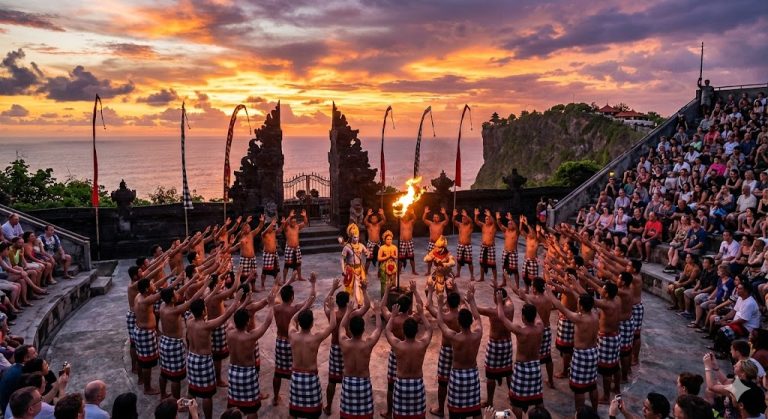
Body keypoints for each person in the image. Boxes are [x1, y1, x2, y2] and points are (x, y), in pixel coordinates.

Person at [186, 286, 244, 419]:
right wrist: (236, 300)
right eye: (204, 308)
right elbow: (225, 316)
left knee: (192, 390)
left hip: (191, 358)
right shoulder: (207, 325)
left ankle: (191, 415)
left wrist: (210, 293)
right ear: (203, 311)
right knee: (207, 394)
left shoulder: (189, 321)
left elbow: (198, 307)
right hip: (203, 361)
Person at [288, 273, 336, 419]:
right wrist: (332, 308)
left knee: (293, 412)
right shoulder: (315, 338)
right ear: (312, 323)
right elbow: (333, 325)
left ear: (300, 324)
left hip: (296, 376)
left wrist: (304, 308)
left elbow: (292, 319)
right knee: (313, 414)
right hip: (310, 377)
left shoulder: (292, 334)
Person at [546, 288, 599, 411]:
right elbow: (582, 299)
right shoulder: (596, 314)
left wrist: (550, 294)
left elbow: (561, 307)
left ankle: (580, 414)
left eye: (578, 302)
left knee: (579, 388)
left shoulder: (579, 318)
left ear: (581, 306)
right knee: (592, 385)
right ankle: (594, 411)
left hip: (581, 355)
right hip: (593, 352)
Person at [436, 283, 483, 419]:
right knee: (475, 409)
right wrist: (472, 300)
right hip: (472, 373)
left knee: (456, 412)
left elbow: (440, 322)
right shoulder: (477, 334)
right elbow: (478, 318)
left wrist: (439, 305)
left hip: (458, 375)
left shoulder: (454, 337)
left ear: (459, 323)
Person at [323, 280, 369, 416]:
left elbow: (325, 304)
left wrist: (332, 289)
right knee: (350, 378)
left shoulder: (332, 314)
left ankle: (329, 406)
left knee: (332, 379)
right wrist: (364, 290)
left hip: (336, 346)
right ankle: (355, 408)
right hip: (349, 347)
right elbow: (366, 306)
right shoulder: (352, 314)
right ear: (348, 302)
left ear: (336, 303)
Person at [226, 290, 274, 418]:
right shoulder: (251, 337)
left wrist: (243, 303)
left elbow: (232, 316)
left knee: (234, 404)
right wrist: (271, 305)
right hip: (247, 373)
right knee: (251, 408)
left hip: (233, 372)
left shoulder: (229, 332)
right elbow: (267, 322)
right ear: (248, 322)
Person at [385, 289, 432, 419]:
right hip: (417, 384)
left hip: (401, 384)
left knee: (399, 414)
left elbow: (387, 330)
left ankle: (389, 412)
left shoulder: (397, 345)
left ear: (404, 332)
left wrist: (393, 315)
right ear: (417, 331)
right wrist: (421, 314)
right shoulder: (422, 344)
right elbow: (429, 329)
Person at [158, 274, 208, 399]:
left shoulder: (163, 306)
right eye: (175, 294)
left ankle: (163, 394)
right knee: (176, 377)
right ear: (172, 299)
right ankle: (177, 402)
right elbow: (193, 299)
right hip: (174, 344)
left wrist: (188, 280)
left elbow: (178, 291)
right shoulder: (175, 311)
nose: (177, 294)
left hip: (164, 341)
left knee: (164, 371)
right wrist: (205, 284)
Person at [495, 294, 544, 419]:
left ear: (523, 317)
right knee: (538, 399)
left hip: (522, 369)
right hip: (535, 367)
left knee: (516, 402)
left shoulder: (520, 331)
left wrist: (500, 302)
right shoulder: (540, 327)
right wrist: (527, 301)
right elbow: (536, 313)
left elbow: (501, 317)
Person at [337, 294, 384, 419]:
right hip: (363, 382)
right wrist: (378, 312)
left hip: (348, 382)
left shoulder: (344, 342)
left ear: (350, 331)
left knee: (346, 415)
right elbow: (379, 328)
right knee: (366, 416)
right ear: (363, 330)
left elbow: (341, 326)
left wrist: (348, 312)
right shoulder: (367, 344)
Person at [272, 276, 314, 407]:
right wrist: (313, 284)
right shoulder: (295, 309)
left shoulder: (276, 307)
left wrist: (289, 281)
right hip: (291, 342)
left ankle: (275, 397)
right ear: (292, 297)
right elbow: (311, 299)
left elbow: (277, 293)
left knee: (278, 371)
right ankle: (295, 398)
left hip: (280, 341)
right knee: (294, 371)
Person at [426, 284, 461, 417]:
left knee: (443, 381)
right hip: (459, 348)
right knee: (457, 378)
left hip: (446, 349)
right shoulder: (463, 314)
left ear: (448, 304)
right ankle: (458, 406)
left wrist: (430, 291)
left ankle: (441, 409)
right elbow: (465, 303)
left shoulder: (444, 316)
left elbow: (429, 306)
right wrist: (455, 289)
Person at [477, 286, 514, 407]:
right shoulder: (511, 307)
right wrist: (499, 289)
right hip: (507, 343)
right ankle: (512, 395)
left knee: (491, 375)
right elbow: (508, 298)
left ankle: (490, 402)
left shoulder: (492, 312)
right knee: (508, 371)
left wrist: (468, 298)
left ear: (496, 298)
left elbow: (474, 309)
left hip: (494, 345)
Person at [206, 271, 241, 388]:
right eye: (219, 282)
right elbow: (233, 289)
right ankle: (218, 379)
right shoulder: (217, 296)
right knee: (218, 356)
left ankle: (215, 376)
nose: (221, 283)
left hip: (212, 324)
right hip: (218, 327)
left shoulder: (207, 293)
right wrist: (239, 275)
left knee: (216, 355)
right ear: (215, 285)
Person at [134, 277, 163, 395]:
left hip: (141, 331)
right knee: (147, 363)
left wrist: (167, 276)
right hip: (145, 334)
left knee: (141, 358)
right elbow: (163, 294)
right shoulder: (144, 301)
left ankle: (141, 379)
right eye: (151, 284)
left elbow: (156, 288)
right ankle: (147, 388)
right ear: (146, 289)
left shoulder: (139, 296)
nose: (154, 285)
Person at [0, 345, 36, 411]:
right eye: (34, 353)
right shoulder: (22, 374)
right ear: (26, 358)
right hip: (11, 411)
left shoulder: (13, 368)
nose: (36, 355)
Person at [341, 224, 369, 305]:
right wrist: (343, 270)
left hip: (359, 269)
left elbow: (367, 253)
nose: (356, 238)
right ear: (351, 237)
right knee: (349, 288)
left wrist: (368, 253)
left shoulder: (361, 246)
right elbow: (342, 259)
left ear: (359, 237)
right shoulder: (347, 247)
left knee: (359, 286)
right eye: (354, 237)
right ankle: (347, 304)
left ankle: (359, 303)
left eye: (357, 236)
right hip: (350, 270)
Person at [235, 215, 265, 290]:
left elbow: (259, 228)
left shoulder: (251, 234)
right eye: (246, 227)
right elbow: (240, 230)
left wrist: (261, 221)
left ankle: (253, 288)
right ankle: (242, 289)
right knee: (244, 275)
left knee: (253, 274)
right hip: (244, 258)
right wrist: (246, 222)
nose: (248, 228)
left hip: (252, 258)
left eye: (249, 226)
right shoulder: (241, 235)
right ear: (243, 228)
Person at [282, 210, 308, 283]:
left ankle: (299, 276)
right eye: (292, 221)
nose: (294, 223)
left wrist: (305, 216)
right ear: (289, 222)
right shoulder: (286, 228)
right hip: (289, 249)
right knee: (287, 265)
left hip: (297, 248)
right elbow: (285, 223)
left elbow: (305, 223)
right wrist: (290, 216)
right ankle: (284, 280)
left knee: (298, 263)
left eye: (295, 221)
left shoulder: (297, 226)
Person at [423, 207, 449, 276]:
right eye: (434, 217)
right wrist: (425, 213)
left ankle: (439, 271)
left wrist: (444, 213)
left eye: (437, 217)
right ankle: (428, 271)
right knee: (429, 258)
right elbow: (424, 219)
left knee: (439, 258)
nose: (435, 218)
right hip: (431, 244)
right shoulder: (430, 223)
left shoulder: (441, 224)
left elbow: (447, 220)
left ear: (439, 218)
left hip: (439, 245)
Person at [519, 216, 544, 289]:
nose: (529, 233)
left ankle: (534, 290)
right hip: (526, 260)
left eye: (530, 231)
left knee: (533, 278)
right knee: (525, 276)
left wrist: (527, 224)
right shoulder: (527, 237)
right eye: (528, 232)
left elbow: (533, 232)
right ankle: (526, 289)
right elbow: (520, 230)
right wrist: (521, 222)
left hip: (533, 260)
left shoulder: (536, 239)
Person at [497, 212, 520, 288]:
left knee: (515, 270)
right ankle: (504, 282)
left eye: (511, 224)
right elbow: (499, 225)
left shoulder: (516, 232)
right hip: (505, 252)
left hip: (513, 253)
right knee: (504, 268)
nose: (509, 225)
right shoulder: (506, 230)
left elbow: (516, 228)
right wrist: (498, 219)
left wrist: (511, 219)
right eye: (508, 224)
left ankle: (517, 285)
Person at [474, 209, 498, 283]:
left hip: (491, 248)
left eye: (488, 219)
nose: (486, 220)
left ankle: (495, 280)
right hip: (483, 247)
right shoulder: (483, 226)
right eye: (485, 219)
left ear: (490, 220)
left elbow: (494, 222)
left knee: (493, 265)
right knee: (482, 263)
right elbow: (476, 221)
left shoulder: (493, 226)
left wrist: (490, 215)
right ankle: (482, 277)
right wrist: (476, 215)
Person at [453, 209, 475, 280]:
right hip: (460, 245)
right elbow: (453, 221)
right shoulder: (460, 225)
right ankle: (458, 273)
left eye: (464, 218)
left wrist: (466, 215)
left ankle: (472, 275)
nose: (463, 219)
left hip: (467, 246)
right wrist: (454, 216)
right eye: (462, 218)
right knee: (459, 260)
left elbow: (471, 221)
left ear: (467, 219)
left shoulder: (470, 225)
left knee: (469, 262)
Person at [364, 209, 386, 275]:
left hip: (378, 243)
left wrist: (382, 214)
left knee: (380, 258)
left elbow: (384, 220)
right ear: (370, 220)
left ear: (377, 219)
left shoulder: (379, 225)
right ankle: (365, 271)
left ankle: (379, 272)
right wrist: (367, 215)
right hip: (370, 244)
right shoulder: (369, 225)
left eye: (375, 218)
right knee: (368, 259)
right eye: (372, 218)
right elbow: (365, 221)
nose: (374, 219)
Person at [260, 218, 281, 286]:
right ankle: (262, 283)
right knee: (265, 271)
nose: (273, 227)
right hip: (267, 254)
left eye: (273, 226)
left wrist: (284, 223)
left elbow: (280, 229)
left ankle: (277, 282)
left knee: (276, 269)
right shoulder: (264, 234)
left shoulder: (273, 232)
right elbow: (265, 231)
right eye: (271, 226)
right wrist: (271, 224)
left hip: (274, 254)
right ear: (267, 227)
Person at [398, 209, 418, 275]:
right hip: (402, 242)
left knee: (411, 257)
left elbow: (415, 218)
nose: (405, 217)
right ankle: (399, 270)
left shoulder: (411, 222)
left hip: (409, 242)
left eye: (407, 216)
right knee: (401, 257)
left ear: (408, 217)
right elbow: (397, 215)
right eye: (404, 216)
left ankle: (413, 271)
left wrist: (412, 213)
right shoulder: (401, 222)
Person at [377, 231, 398, 296]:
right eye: (387, 239)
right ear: (384, 240)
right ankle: (384, 297)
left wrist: (392, 256)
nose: (389, 240)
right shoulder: (382, 247)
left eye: (390, 239)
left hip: (392, 266)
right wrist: (387, 257)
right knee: (384, 282)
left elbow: (397, 257)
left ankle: (391, 296)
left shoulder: (394, 247)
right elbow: (379, 258)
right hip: (384, 266)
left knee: (392, 281)